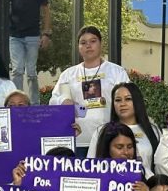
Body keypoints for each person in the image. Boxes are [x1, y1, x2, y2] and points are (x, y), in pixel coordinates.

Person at [49, 26, 130, 158]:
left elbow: (128, 101)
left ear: (101, 44)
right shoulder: (68, 75)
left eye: (93, 41)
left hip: (108, 140)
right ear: (78, 47)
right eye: (83, 42)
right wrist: (63, 101)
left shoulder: (116, 72)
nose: (88, 46)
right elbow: (53, 102)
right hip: (78, 140)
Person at [87, 82, 161, 174]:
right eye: (118, 100)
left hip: (147, 186)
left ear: (137, 101)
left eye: (128, 99)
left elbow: (161, 165)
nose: (122, 104)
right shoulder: (101, 131)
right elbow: (91, 166)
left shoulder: (153, 130)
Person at [9, 0, 52, 104]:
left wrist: (46, 34)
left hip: (33, 35)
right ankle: (15, 102)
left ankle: (34, 104)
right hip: (15, 36)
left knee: (31, 72)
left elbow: (46, 11)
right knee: (17, 70)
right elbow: (0, 8)